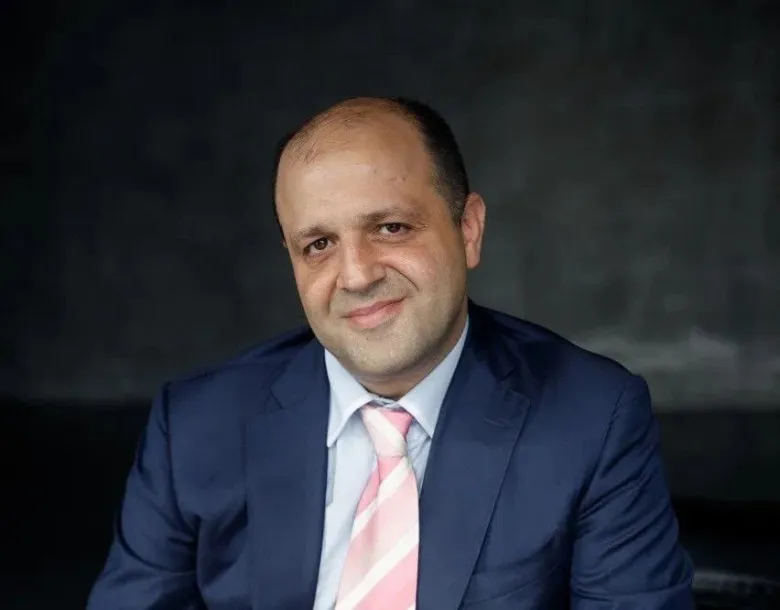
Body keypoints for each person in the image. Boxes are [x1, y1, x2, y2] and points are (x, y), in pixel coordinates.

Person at [87, 96, 695, 609]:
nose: (356, 275)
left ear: (468, 229)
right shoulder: (194, 426)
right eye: (319, 244)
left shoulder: (592, 418)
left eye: (390, 228)